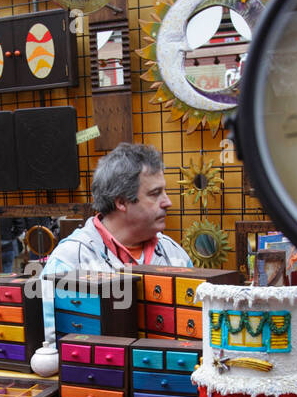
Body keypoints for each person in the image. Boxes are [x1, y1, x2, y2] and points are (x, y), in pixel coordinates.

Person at [39, 142, 191, 342]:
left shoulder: (175, 254)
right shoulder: (68, 260)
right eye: (155, 194)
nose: (167, 202)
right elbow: (47, 344)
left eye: (164, 192)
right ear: (121, 202)